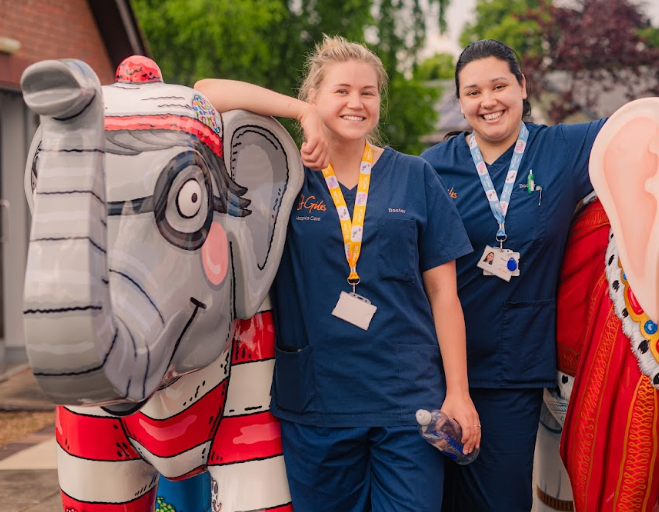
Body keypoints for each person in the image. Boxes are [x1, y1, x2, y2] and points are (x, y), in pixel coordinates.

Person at [196, 35, 480, 512]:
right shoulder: (282, 178)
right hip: (317, 402)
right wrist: (300, 115)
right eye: (341, 91)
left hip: (407, 403)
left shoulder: (415, 176)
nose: (356, 102)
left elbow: (444, 296)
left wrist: (458, 393)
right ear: (315, 98)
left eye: (368, 92)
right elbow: (205, 93)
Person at [420, 39, 607, 512]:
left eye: (500, 85)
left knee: (499, 501)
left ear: (523, 87)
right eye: (473, 92)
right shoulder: (430, 169)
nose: (488, 102)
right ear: (460, 101)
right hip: (431, 368)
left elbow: (642, 129)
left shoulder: (562, 150)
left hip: (511, 372)